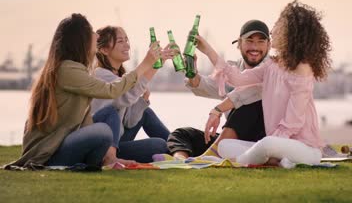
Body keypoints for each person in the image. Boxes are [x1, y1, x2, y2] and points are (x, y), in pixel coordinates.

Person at [4, 14, 160, 169]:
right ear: (80, 39)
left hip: (68, 145)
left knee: (152, 142)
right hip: (50, 154)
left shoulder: (78, 70)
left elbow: (87, 122)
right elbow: (112, 91)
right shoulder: (67, 70)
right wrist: (146, 64)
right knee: (103, 130)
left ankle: (110, 158)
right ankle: (109, 159)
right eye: (92, 32)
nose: (97, 35)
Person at [197, 0, 332, 167]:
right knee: (225, 146)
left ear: (290, 32)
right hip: (276, 144)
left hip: (304, 148)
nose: (273, 30)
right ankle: (271, 160)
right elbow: (237, 79)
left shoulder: (302, 69)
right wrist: (208, 50)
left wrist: (271, 145)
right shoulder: (272, 66)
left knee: (267, 144)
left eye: (278, 25)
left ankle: (233, 163)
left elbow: (292, 123)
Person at [166, 20, 271, 159]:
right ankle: (181, 161)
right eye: (249, 41)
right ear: (239, 44)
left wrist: (218, 110)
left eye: (261, 42)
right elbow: (203, 86)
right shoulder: (231, 69)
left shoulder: (272, 68)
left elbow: (247, 92)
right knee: (182, 134)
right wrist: (191, 71)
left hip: (262, 138)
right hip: (231, 140)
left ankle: (206, 158)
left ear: (269, 45)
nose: (255, 47)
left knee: (246, 104)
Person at [90, 26, 174, 164]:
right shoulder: (100, 74)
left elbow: (130, 121)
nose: (127, 45)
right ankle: (179, 149)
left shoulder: (119, 76)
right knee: (159, 145)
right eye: (120, 41)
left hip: (118, 140)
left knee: (146, 112)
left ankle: (180, 146)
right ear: (104, 50)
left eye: (126, 40)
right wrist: (152, 64)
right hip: (105, 147)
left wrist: (143, 101)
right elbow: (127, 95)